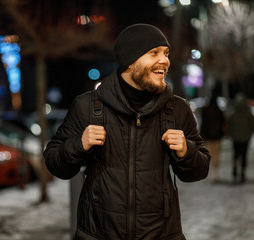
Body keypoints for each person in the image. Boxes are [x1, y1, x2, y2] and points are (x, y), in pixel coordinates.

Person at [44, 23, 210, 240]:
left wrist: (186, 151)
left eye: (166, 54)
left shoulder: (177, 109)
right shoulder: (87, 106)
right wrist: (78, 144)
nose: (165, 61)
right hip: (98, 234)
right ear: (130, 62)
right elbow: (54, 163)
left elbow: (200, 169)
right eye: (154, 53)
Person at [227, 93, 254, 183]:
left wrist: (231, 133)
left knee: (236, 154)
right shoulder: (248, 113)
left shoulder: (234, 112)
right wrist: (249, 133)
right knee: (244, 156)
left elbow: (230, 124)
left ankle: (235, 168)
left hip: (236, 138)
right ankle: (242, 173)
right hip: (245, 138)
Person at [200, 95, 226, 182]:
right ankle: (215, 172)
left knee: (209, 154)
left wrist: (202, 136)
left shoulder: (205, 111)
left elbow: (203, 125)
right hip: (217, 137)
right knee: (216, 155)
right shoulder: (219, 112)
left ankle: (210, 172)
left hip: (208, 137)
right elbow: (223, 124)